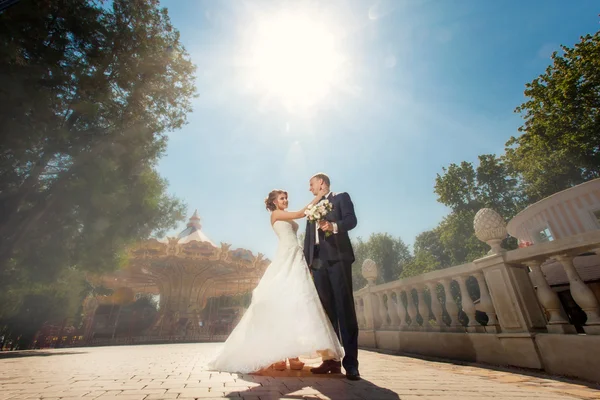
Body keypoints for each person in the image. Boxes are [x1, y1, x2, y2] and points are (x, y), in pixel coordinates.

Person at [208, 188, 344, 373]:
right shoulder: (276, 214)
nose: (286, 200)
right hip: (287, 254)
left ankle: (294, 353)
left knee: (298, 299)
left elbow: (298, 218)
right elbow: (299, 214)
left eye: (287, 197)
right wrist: (318, 198)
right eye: (282, 198)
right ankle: (280, 354)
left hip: (296, 255)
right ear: (274, 202)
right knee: (283, 295)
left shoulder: (283, 214)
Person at [303, 173, 360, 380]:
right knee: (325, 314)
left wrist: (333, 226)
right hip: (318, 263)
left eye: (311, 184)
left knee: (344, 309)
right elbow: (309, 238)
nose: (310, 188)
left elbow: (351, 220)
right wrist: (307, 263)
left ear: (321, 182)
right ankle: (331, 361)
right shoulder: (311, 207)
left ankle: (351, 364)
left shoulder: (340, 197)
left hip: (338, 258)